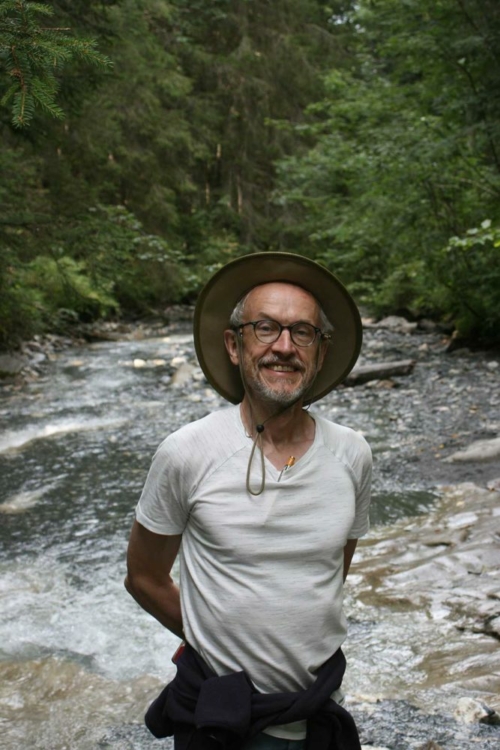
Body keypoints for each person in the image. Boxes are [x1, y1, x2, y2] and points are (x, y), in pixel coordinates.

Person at [125, 252, 372, 750]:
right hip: (224, 713)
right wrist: (215, 637)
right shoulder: (187, 452)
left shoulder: (352, 454)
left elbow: (330, 570)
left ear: (320, 352)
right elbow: (144, 577)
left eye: (302, 332)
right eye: (266, 328)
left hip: (320, 705)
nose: (284, 346)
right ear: (235, 345)